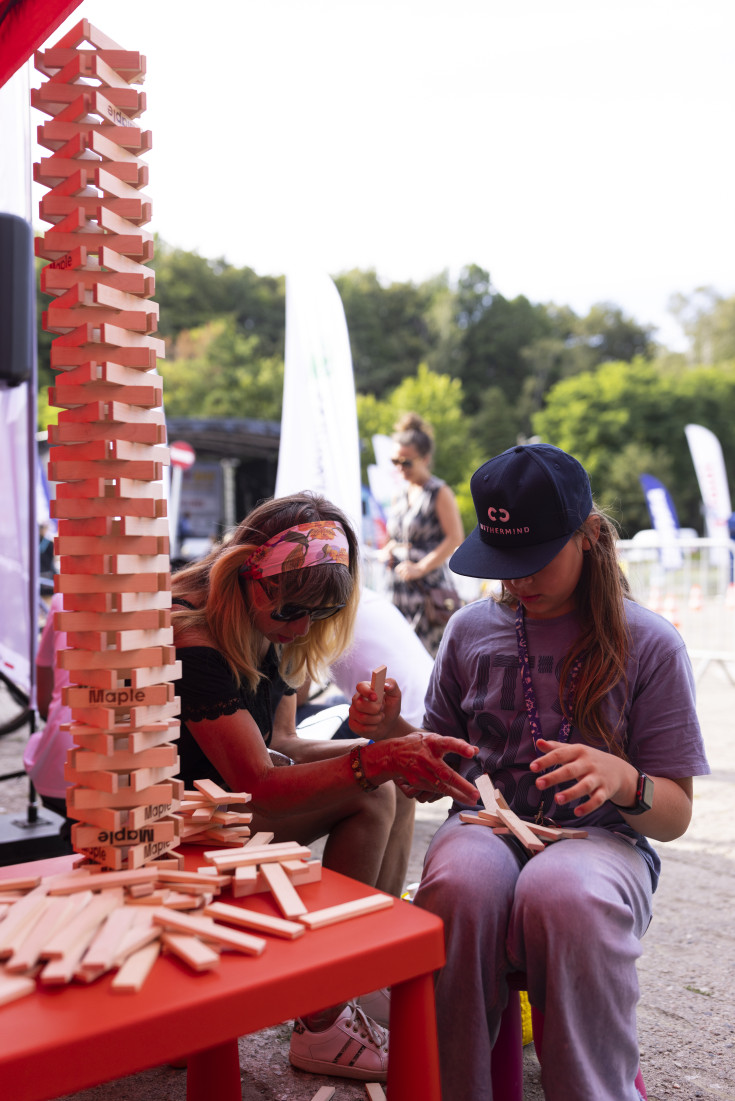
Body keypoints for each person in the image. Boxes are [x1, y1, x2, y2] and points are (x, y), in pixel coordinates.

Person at [349, 443, 710, 1101]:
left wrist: (625, 781)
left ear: (590, 537)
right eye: (501, 564)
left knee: (561, 894)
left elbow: (676, 814)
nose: (515, 581)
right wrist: (394, 736)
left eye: (534, 561)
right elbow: (439, 777)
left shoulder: (648, 642)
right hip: (483, 823)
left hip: (603, 843)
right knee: (459, 886)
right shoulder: (468, 629)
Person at [171, 490, 479, 1082]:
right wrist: (380, 761)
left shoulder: (272, 610)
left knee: (383, 780)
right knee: (373, 788)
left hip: (224, 805)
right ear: (246, 575)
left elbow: (282, 740)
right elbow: (256, 784)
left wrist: (395, 748)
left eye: (316, 616)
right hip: (183, 825)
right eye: (290, 612)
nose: (299, 628)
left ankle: (358, 974)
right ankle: (323, 1014)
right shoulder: (195, 636)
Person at [380, 412, 464, 656]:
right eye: (395, 461)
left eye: (406, 462)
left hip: (427, 592)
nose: (400, 468)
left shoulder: (439, 492)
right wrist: (389, 549)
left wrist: (421, 567)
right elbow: (396, 536)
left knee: (427, 660)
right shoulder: (400, 493)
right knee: (398, 658)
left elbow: (455, 538)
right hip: (398, 590)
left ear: (425, 458)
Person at [23, 590, 74, 850]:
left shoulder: (62, 599)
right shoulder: (155, 600)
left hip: (55, 765)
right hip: (127, 772)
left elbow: (43, 698)